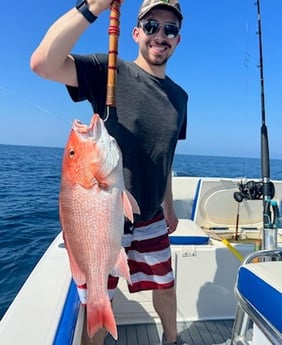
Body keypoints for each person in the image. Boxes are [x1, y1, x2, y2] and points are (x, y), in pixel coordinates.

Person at [30, 0, 188, 344]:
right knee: (99, 297)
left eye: (170, 29)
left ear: (178, 39)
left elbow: (166, 155)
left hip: (149, 213)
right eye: (151, 26)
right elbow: (43, 63)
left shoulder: (180, 97)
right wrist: (92, 7)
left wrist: (169, 205)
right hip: (103, 215)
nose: (160, 35)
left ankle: (172, 339)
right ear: (135, 33)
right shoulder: (110, 70)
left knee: (166, 284)